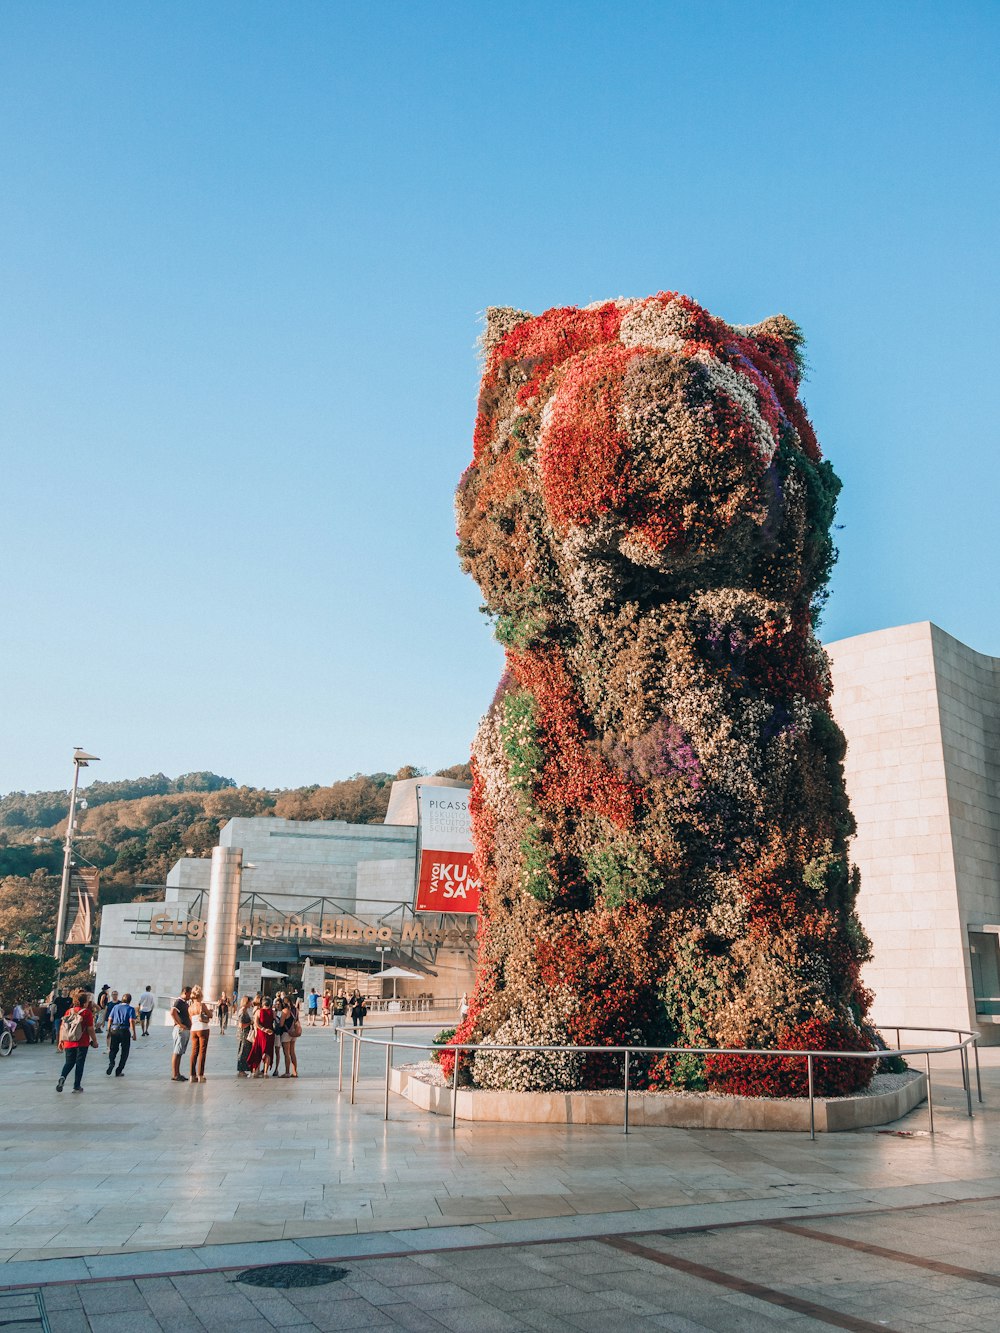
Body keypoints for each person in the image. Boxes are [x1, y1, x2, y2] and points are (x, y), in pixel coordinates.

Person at [57, 992, 97, 1092]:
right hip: (82, 1042)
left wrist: (60, 1041)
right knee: (80, 1064)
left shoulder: (68, 1011)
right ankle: (76, 1086)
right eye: (87, 1001)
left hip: (68, 1041)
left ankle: (63, 1077)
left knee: (69, 1062)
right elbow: (90, 1029)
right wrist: (94, 1041)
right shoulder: (87, 1013)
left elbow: (62, 1027)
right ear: (84, 1003)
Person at [106, 992, 137, 1076]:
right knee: (125, 1051)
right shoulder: (131, 1009)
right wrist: (134, 1033)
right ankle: (119, 1070)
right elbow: (131, 1021)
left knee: (113, 1049)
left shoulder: (116, 1007)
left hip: (114, 1029)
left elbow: (110, 1019)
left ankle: (111, 1062)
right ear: (130, 1001)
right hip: (124, 1030)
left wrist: (108, 1030)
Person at [245, 994, 274, 1077]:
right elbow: (276, 1022)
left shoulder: (259, 1011)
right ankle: (265, 1072)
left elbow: (256, 1024)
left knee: (258, 1052)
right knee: (268, 1052)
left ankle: (256, 1070)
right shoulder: (273, 1012)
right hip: (270, 1033)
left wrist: (263, 1029)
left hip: (261, 1034)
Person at [188, 985, 213, 1083]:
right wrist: (209, 1012)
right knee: (202, 1052)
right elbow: (210, 1015)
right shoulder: (202, 1005)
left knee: (194, 1052)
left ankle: (192, 1075)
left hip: (193, 1029)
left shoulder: (190, 1007)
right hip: (203, 1029)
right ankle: (200, 1075)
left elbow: (191, 1019)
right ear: (200, 995)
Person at [170, 985, 192, 1082]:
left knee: (180, 1053)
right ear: (185, 992)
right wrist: (180, 1024)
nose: (190, 996)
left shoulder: (184, 1003)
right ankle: (175, 1074)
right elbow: (172, 1012)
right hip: (180, 1030)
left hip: (185, 1030)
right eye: (190, 993)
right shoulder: (179, 1001)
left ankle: (178, 1073)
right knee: (177, 1051)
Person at [277, 994, 300, 1077]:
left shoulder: (285, 1011)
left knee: (286, 1053)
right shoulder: (295, 1010)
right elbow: (297, 1020)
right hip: (294, 1032)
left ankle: (287, 1072)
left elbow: (281, 1024)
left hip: (286, 1033)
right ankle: (294, 1071)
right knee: (292, 1052)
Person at [235, 995, 254, 1073]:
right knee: (243, 1052)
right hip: (243, 1034)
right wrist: (250, 1023)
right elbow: (241, 1025)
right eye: (250, 1002)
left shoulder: (245, 1010)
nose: (251, 1003)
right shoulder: (242, 1011)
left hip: (246, 1033)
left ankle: (243, 1069)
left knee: (246, 1052)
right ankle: (241, 1070)